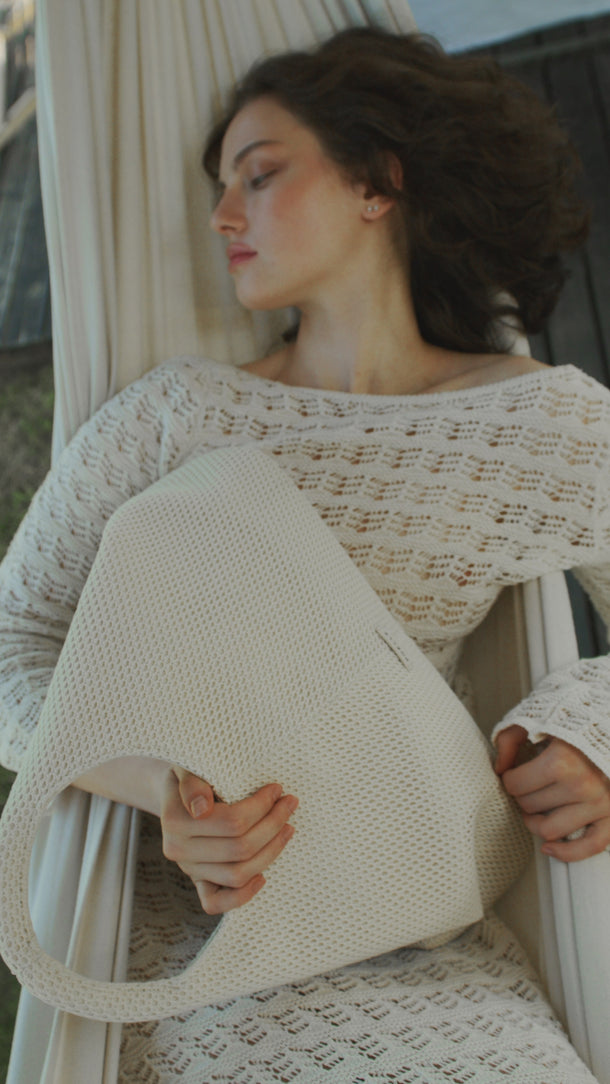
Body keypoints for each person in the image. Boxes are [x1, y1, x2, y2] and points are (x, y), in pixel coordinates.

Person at [1, 24, 609, 1083]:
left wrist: (590, 729)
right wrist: (162, 788)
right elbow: (10, 639)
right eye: (218, 189)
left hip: (431, 928)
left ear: (378, 183)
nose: (221, 216)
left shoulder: (538, 423)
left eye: (260, 174)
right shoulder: (175, 418)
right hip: (211, 946)